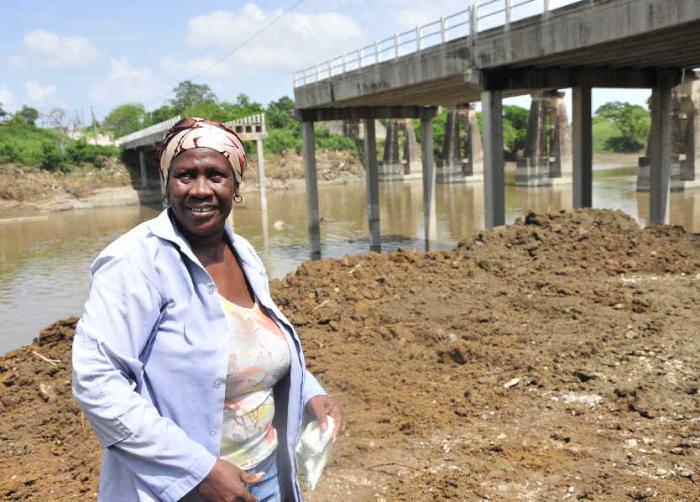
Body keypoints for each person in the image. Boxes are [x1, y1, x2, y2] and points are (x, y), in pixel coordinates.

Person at [72, 117, 344, 502]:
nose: (200, 190)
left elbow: (255, 343)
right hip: (183, 488)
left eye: (215, 176)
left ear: (235, 186)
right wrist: (197, 471)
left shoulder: (244, 253)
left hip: (267, 471)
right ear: (168, 182)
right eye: (186, 176)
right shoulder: (134, 262)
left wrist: (307, 394)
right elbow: (97, 382)